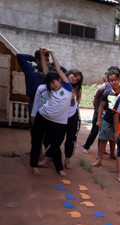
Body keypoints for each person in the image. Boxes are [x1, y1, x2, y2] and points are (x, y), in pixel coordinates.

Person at [30, 48, 72, 176]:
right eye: (50, 84)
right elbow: (45, 71)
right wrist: (42, 56)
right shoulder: (50, 89)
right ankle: (34, 165)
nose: (52, 86)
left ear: (60, 80)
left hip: (58, 123)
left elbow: (58, 70)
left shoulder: (67, 87)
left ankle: (59, 168)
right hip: (42, 116)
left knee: (55, 145)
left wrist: (52, 53)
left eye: (54, 82)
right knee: (36, 141)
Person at [17, 50, 66, 153]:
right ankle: (36, 149)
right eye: (44, 60)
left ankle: (49, 151)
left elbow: (64, 71)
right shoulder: (30, 69)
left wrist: (50, 63)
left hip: (49, 103)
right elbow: (19, 56)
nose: (47, 62)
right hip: (34, 102)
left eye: (48, 60)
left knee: (49, 128)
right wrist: (35, 58)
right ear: (37, 61)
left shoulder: (51, 71)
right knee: (34, 126)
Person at [82, 66, 120, 156]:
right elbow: (95, 98)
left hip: (109, 114)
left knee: (106, 133)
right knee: (95, 130)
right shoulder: (104, 86)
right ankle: (86, 147)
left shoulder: (119, 88)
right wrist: (96, 110)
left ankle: (103, 151)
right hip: (99, 112)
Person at [92, 69, 120, 167]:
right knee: (103, 140)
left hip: (118, 122)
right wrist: (98, 119)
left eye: (115, 79)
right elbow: (101, 106)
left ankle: (114, 156)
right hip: (107, 120)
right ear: (108, 81)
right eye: (111, 80)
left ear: (119, 79)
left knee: (115, 139)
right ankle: (99, 159)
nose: (113, 82)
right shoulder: (107, 92)